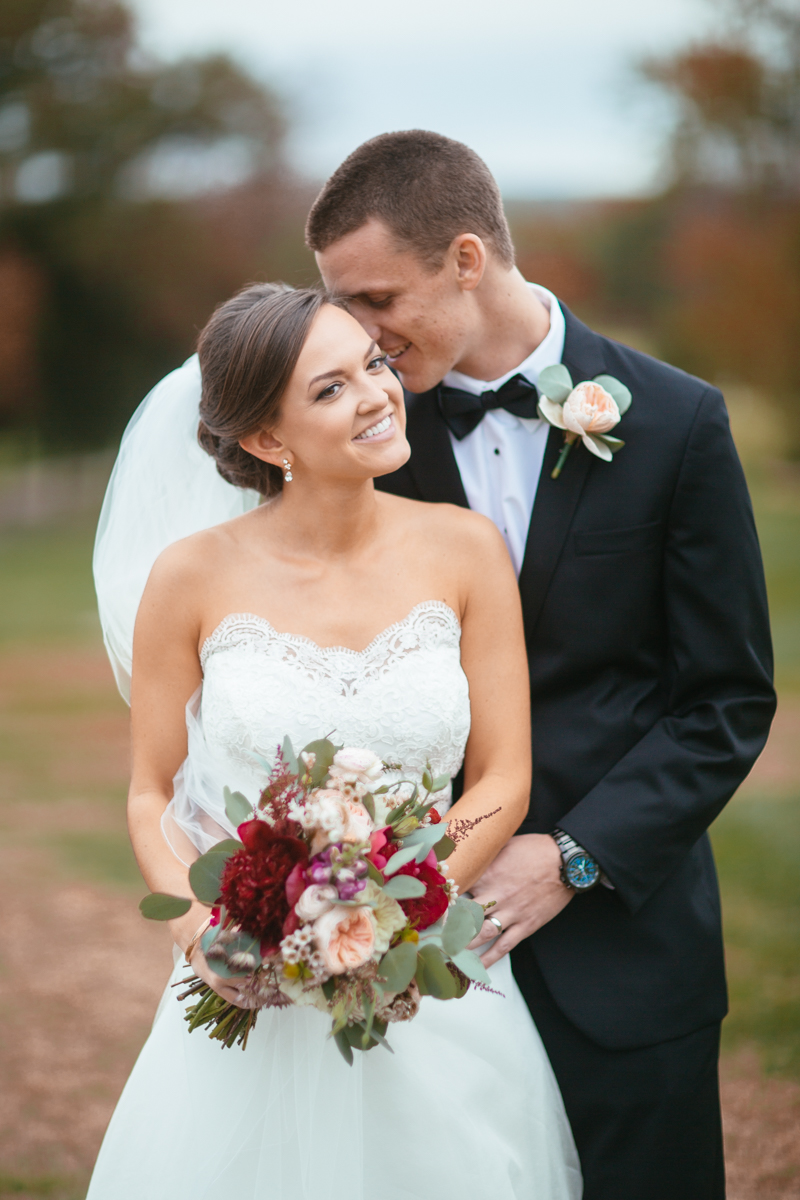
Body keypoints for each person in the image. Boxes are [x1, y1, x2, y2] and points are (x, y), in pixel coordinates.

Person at [306, 130, 777, 1200]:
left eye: (376, 298)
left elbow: (723, 700)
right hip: (409, 957)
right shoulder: (361, 436)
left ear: (465, 259)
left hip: (625, 953)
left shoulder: (674, 423)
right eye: (341, 303)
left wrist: (571, 856)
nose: (356, 337)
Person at [88, 283, 582, 1200]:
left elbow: (503, 776)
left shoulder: (465, 549)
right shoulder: (190, 577)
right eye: (331, 388)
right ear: (268, 442)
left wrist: (403, 908)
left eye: (375, 364)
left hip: (431, 979)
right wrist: (206, 933)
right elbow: (150, 790)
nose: (377, 394)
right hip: (251, 976)